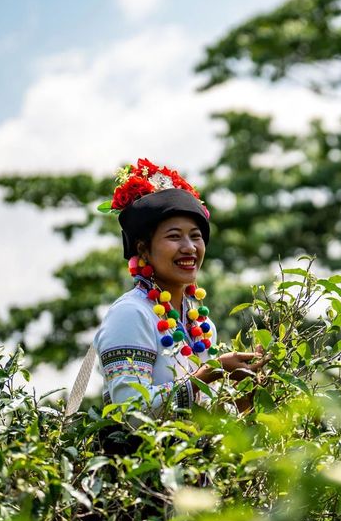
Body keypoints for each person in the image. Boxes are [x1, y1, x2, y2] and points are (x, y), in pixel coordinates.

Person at [93, 158, 264, 418]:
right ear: (143, 249)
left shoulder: (201, 327)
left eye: (196, 236)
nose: (190, 247)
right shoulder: (131, 314)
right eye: (174, 236)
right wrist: (209, 373)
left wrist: (247, 393)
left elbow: (207, 418)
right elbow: (129, 413)